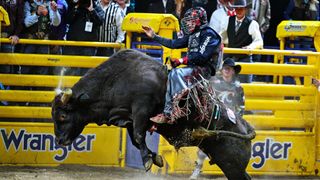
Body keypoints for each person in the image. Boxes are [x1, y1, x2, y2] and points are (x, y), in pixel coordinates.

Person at [142, 6, 222, 124]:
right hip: (193, 68)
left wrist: (181, 60)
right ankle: (166, 109)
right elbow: (173, 43)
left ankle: (173, 110)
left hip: (205, 69)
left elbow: (202, 56)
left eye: (191, 20)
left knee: (176, 72)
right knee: (167, 74)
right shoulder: (192, 35)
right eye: (188, 20)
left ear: (199, 20)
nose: (188, 23)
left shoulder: (209, 34)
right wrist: (154, 36)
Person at [190, 57, 245, 179]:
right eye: (225, 68)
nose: (227, 71)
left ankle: (234, 171)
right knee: (205, 141)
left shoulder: (238, 87)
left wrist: (238, 118)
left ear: (233, 71)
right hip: (214, 117)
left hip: (230, 120)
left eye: (229, 69)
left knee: (231, 146)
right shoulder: (214, 82)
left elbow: (241, 106)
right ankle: (198, 168)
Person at [219, 0, 263, 83]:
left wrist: (250, 47)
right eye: (236, 9)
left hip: (244, 58)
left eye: (241, 9)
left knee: (245, 85)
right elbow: (220, 36)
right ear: (234, 10)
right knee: (226, 84)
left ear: (245, 9)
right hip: (230, 57)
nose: (239, 11)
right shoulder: (227, 20)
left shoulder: (252, 23)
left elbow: (259, 42)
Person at [63, 0, 104, 75]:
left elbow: (100, 22)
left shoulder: (96, 7)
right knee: (70, 71)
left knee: (86, 73)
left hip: (89, 46)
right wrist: (75, 7)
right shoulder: (73, 6)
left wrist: (91, 10)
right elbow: (67, 20)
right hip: (72, 45)